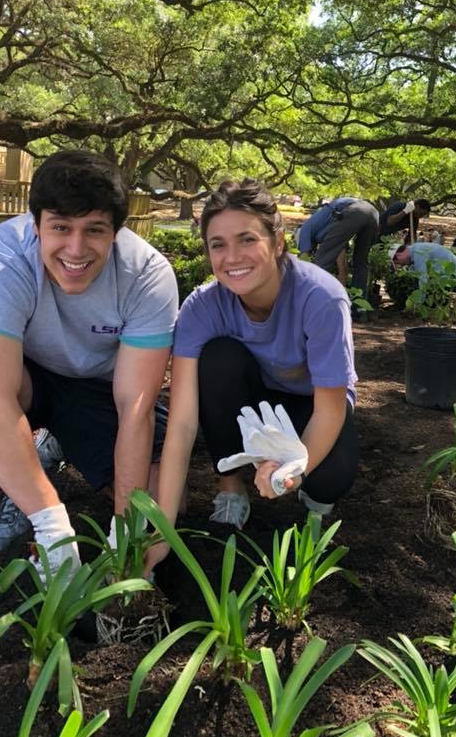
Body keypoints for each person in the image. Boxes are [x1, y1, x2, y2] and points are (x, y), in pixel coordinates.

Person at [0, 149, 178, 574]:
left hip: (100, 392)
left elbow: (134, 408)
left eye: (94, 230)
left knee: (159, 502)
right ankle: (26, 490)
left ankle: (45, 454)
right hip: (29, 379)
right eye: (61, 228)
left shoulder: (147, 275)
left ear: (116, 232)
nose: (76, 248)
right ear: (36, 227)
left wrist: (126, 526)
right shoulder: (2, 260)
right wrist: (51, 524)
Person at [147, 177, 359, 563]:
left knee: (329, 479)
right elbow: (181, 423)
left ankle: (312, 509)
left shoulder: (321, 297)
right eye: (218, 245)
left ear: (277, 243)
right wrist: (163, 530)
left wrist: (295, 465)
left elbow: (331, 408)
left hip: (313, 405)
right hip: (252, 402)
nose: (232, 257)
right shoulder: (202, 308)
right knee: (218, 359)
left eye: (247, 239)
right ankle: (231, 490)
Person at [296, 197, 379, 302]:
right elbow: (342, 266)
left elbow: (304, 261)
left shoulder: (305, 229)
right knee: (360, 262)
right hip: (372, 213)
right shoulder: (328, 228)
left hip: (354, 211)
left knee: (321, 261)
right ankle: (360, 310)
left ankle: (311, 302)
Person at [389, 241, 456, 285]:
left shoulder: (418, 252)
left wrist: (418, 305)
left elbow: (423, 278)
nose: (402, 264)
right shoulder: (415, 248)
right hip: (450, 275)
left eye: (398, 262)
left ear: (398, 255)